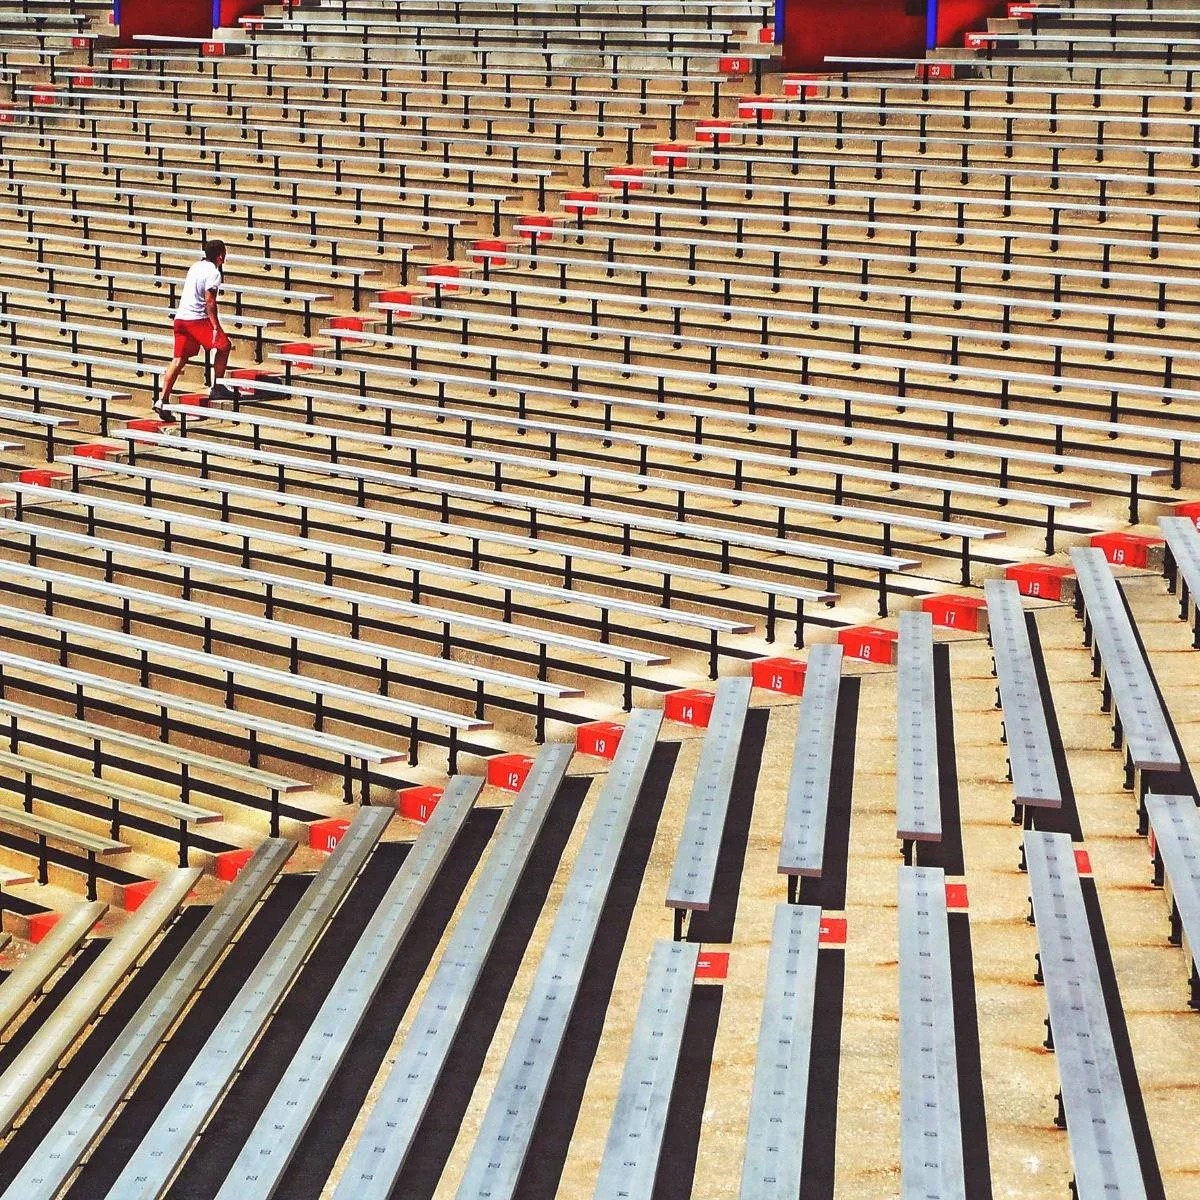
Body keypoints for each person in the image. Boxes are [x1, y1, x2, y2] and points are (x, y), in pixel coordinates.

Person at [156, 239, 238, 419]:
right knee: (224, 346)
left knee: (178, 359)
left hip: (181, 319)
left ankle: (162, 400)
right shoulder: (214, 273)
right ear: (220, 256)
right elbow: (210, 302)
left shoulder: (195, 266)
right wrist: (215, 327)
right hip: (196, 319)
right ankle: (217, 386)